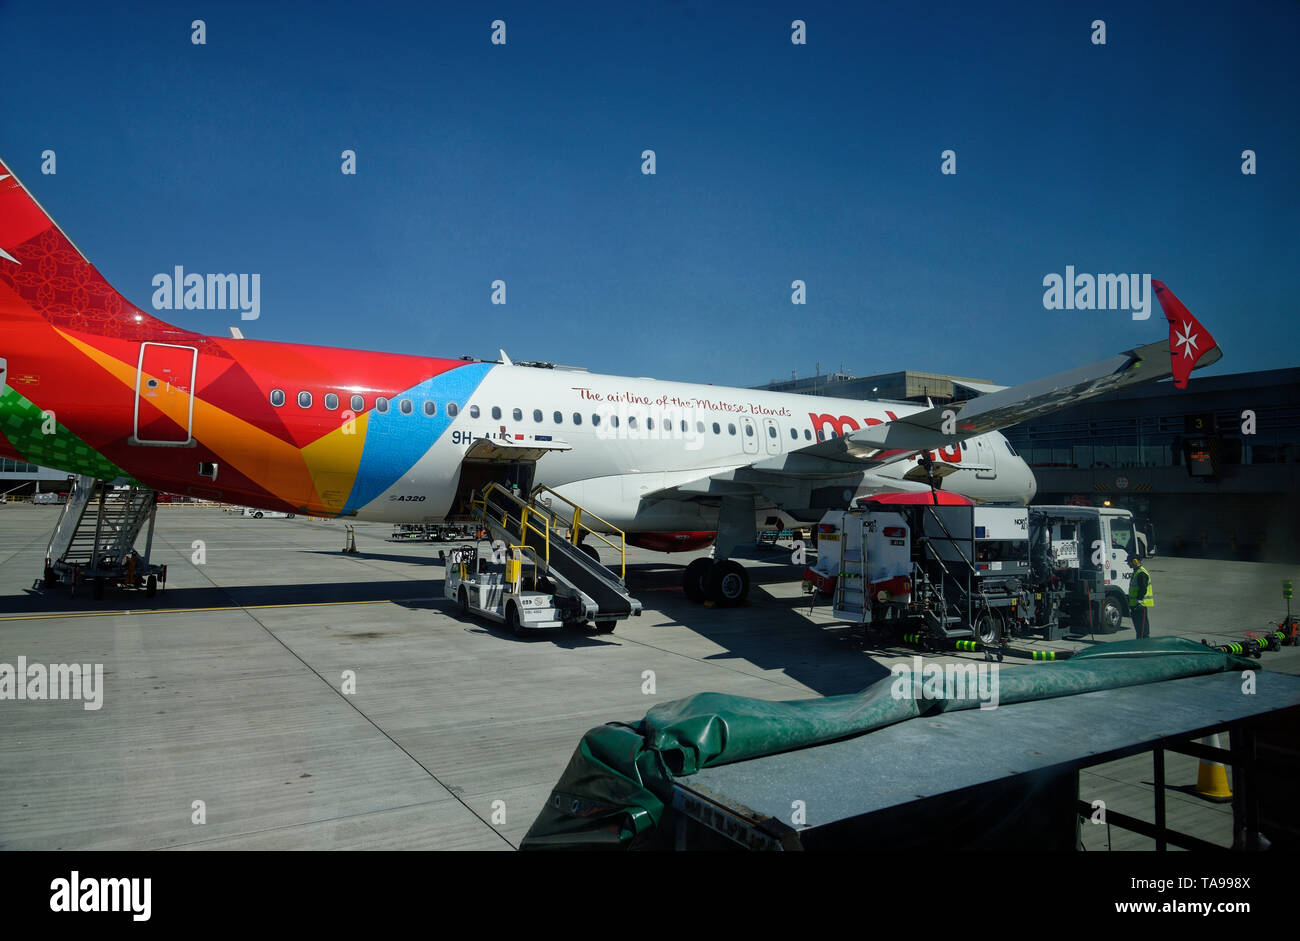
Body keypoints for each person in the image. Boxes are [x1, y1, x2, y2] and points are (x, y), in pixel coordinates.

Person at [1127, 555, 1154, 639]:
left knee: (1142, 630)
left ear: (1135, 561)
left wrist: (1139, 601)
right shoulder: (1137, 571)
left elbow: (1143, 589)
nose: (1128, 564)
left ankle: (1144, 644)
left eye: (1129, 562)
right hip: (1135, 605)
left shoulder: (1141, 573)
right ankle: (1140, 643)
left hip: (1140, 605)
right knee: (1139, 629)